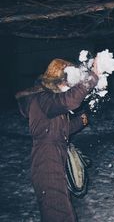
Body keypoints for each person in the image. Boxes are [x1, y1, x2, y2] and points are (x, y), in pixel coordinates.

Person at [15, 58, 99, 222]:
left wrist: (85, 118)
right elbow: (70, 100)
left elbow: (62, 130)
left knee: (58, 208)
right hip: (47, 157)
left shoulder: (48, 101)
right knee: (59, 212)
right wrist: (93, 76)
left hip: (52, 154)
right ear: (58, 80)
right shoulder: (44, 99)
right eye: (68, 83)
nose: (69, 88)